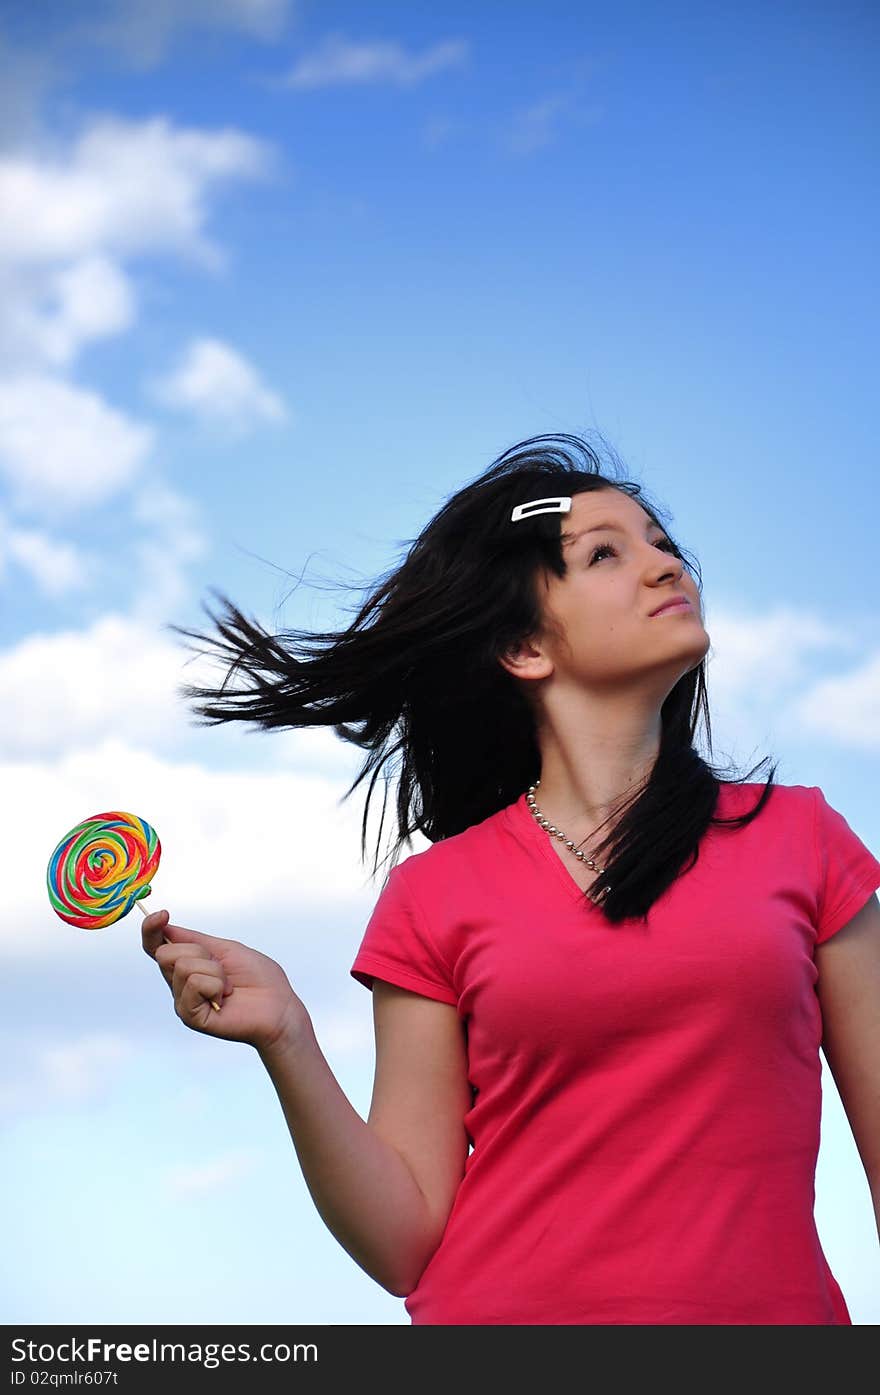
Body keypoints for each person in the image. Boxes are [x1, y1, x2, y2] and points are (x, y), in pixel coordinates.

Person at [141, 432, 880, 1324]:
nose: (663, 566)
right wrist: (288, 1036)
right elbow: (403, 1241)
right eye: (607, 552)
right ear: (525, 647)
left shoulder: (803, 839)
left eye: (661, 542)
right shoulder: (433, 895)